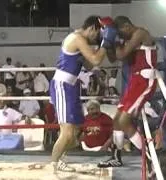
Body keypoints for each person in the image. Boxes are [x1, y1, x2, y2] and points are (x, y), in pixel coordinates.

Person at [49, 15, 117, 173]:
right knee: (66, 133)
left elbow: (89, 63)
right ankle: (52, 167)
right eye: (98, 33)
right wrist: (105, 43)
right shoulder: (77, 38)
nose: (97, 37)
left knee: (77, 133)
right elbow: (95, 60)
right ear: (92, 28)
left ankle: (60, 159)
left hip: (71, 87)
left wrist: (102, 46)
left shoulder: (82, 42)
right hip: (62, 85)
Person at [98, 16, 158, 167]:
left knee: (124, 121)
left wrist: (113, 39)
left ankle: (152, 158)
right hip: (134, 82)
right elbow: (113, 59)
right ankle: (116, 157)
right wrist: (108, 42)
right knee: (117, 120)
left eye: (119, 32)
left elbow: (121, 54)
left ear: (126, 26)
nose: (120, 35)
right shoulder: (128, 40)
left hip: (145, 81)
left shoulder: (140, 33)